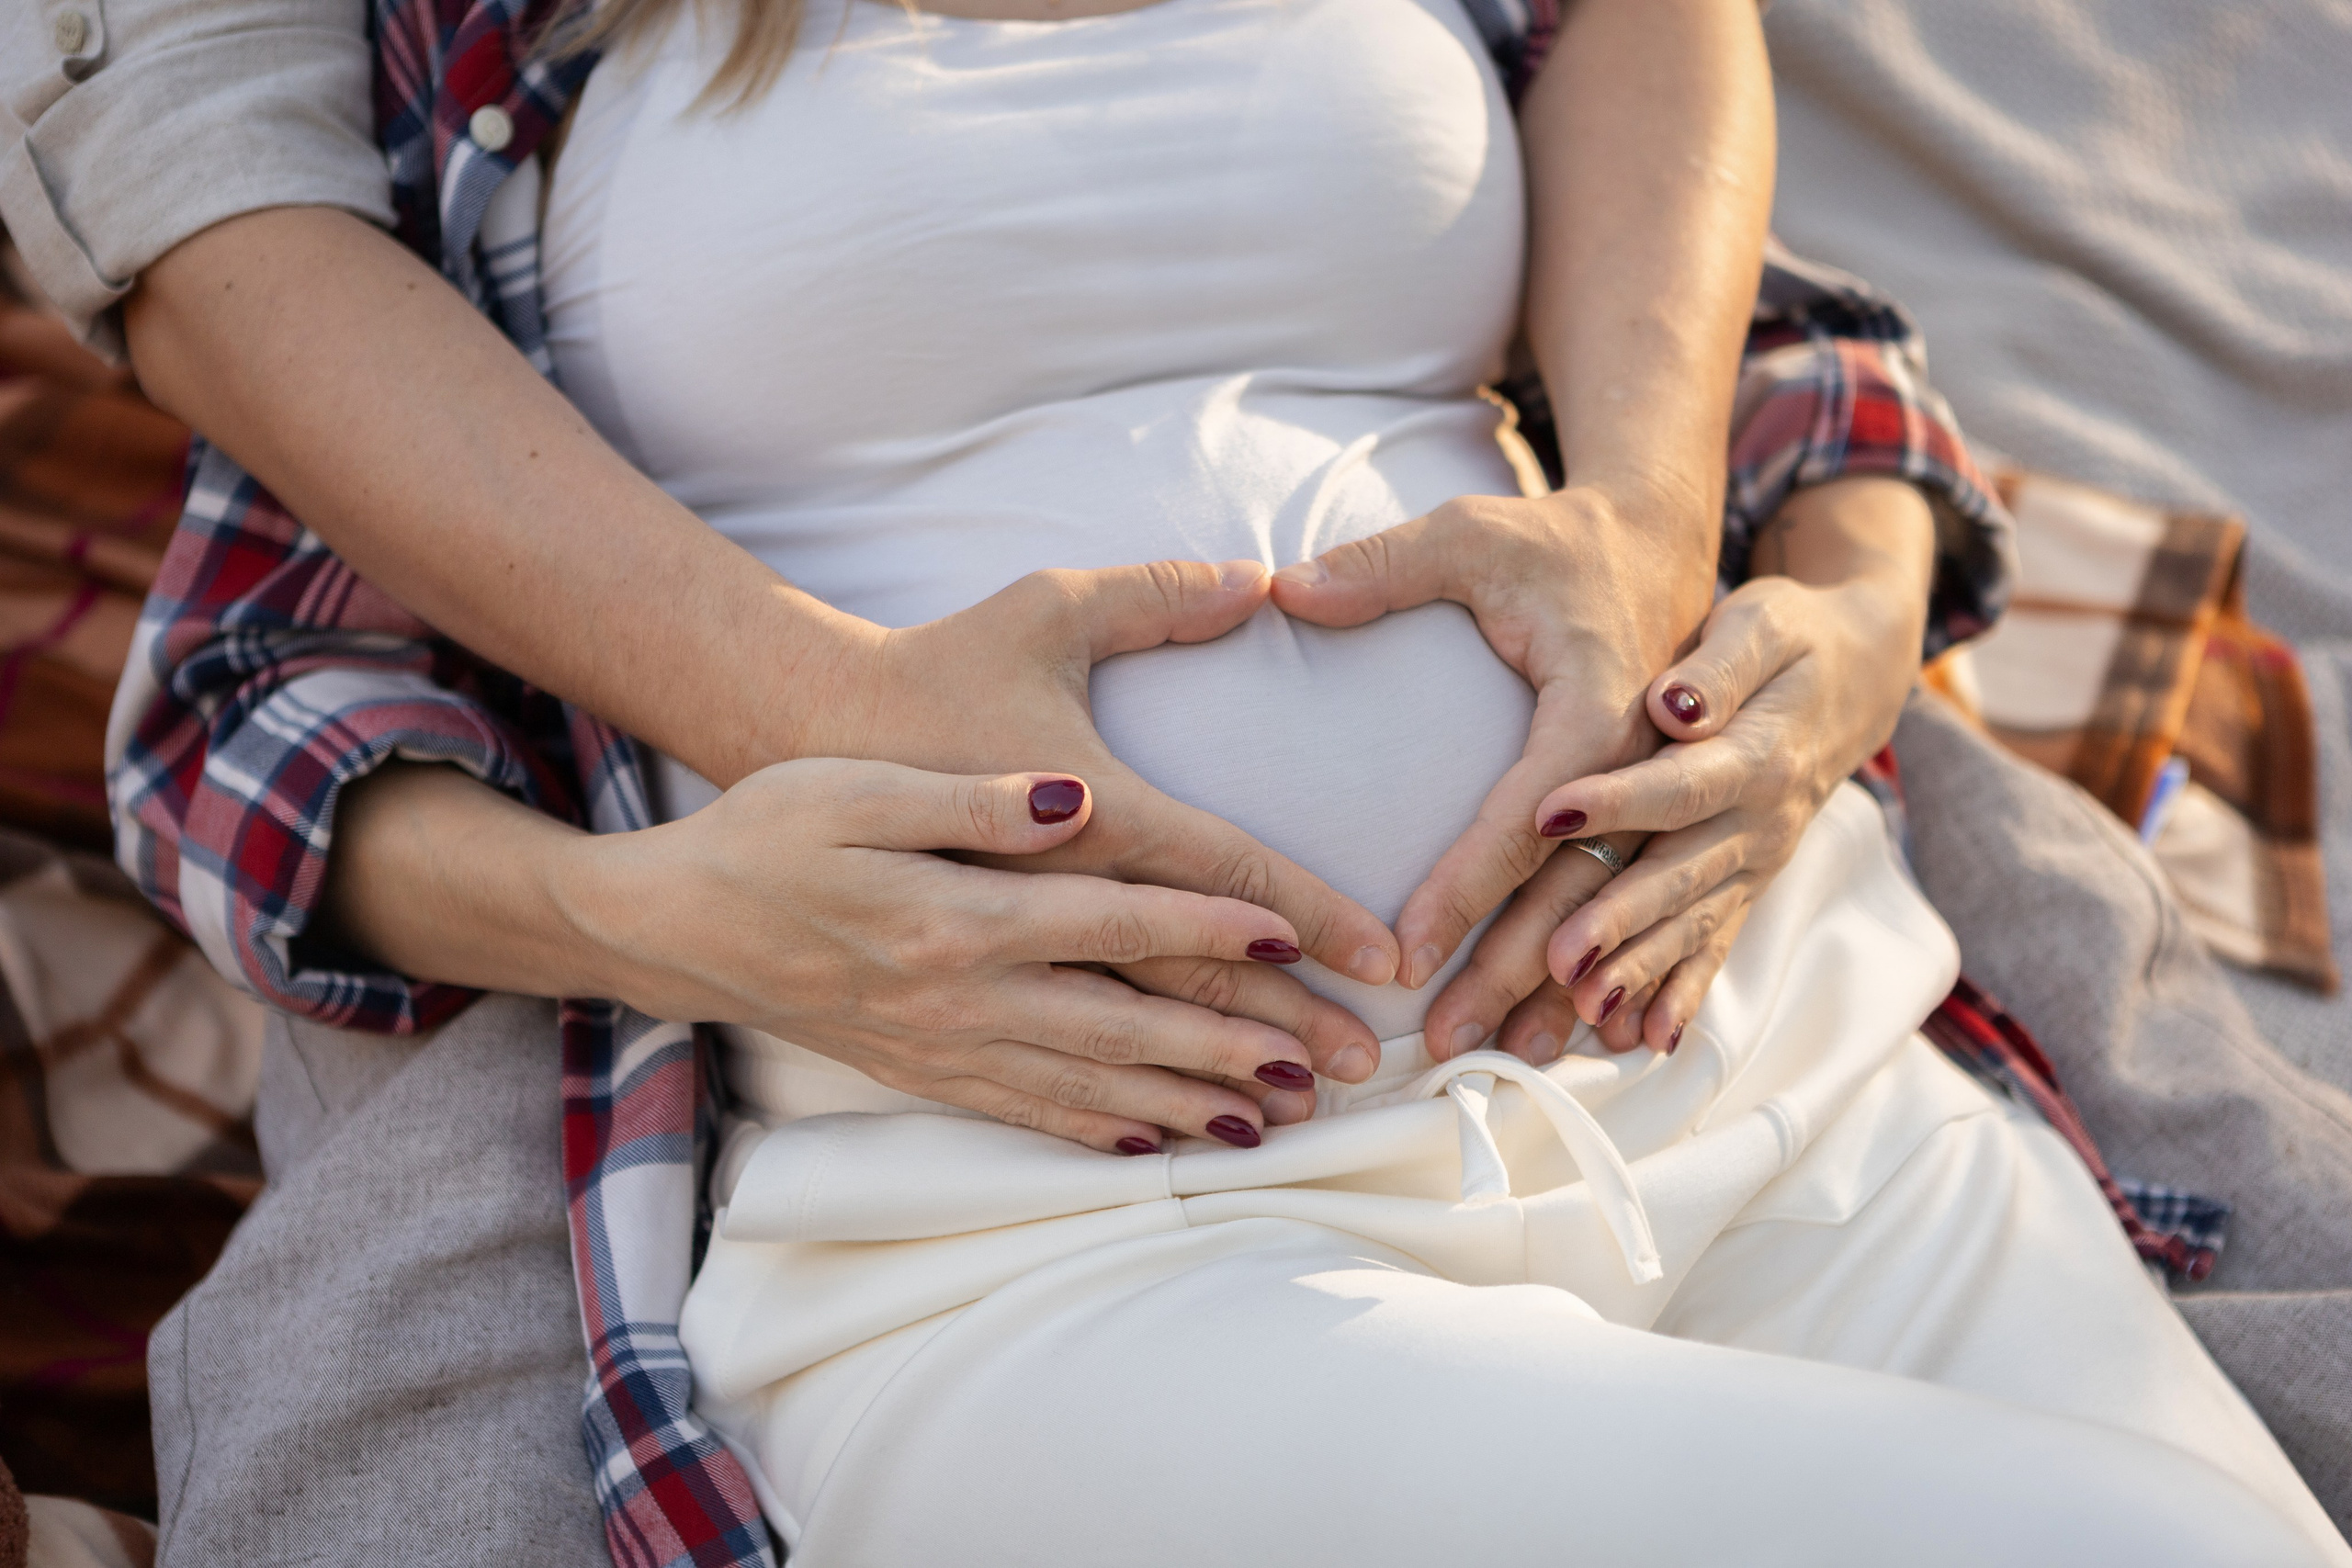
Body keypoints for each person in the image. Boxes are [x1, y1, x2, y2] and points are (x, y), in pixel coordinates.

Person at [11, 0, 2333, 1562]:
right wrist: (718, 855)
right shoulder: (478, 83)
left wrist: (1712, 570)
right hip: (1053, 1225)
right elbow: (246, 712)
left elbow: (1770, 317)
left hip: (1767, 1072)